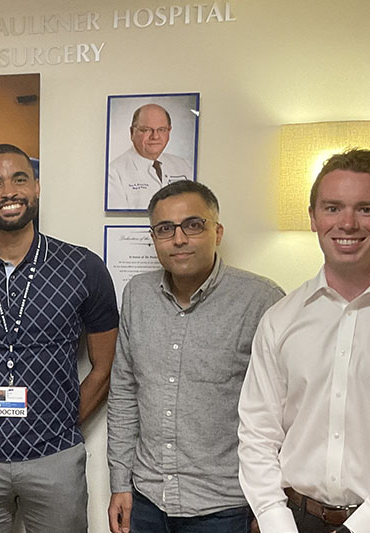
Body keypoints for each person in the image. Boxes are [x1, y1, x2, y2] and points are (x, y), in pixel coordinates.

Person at [238, 149, 370, 533]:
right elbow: (257, 431)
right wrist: (273, 518)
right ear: (314, 218)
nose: (347, 223)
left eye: (365, 208)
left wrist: (365, 525)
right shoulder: (281, 318)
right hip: (295, 522)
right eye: (332, 208)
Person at [0, 144, 120, 533]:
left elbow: (106, 366)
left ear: (36, 187)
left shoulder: (83, 267)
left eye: (19, 179)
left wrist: (61, 419)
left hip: (55, 457)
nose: (8, 192)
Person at [107, 181, 284, 533]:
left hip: (226, 505)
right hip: (147, 499)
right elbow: (124, 394)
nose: (179, 239)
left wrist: (269, 503)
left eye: (193, 225)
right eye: (164, 229)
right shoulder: (137, 295)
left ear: (217, 232)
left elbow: (285, 409)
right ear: (154, 238)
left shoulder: (261, 300)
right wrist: (120, 483)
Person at [107, 103, 194, 210]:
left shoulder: (184, 165)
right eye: (146, 130)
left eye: (161, 129)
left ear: (169, 131)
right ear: (132, 132)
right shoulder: (113, 173)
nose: (155, 136)